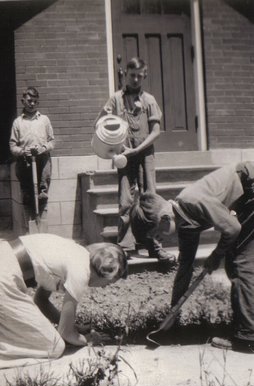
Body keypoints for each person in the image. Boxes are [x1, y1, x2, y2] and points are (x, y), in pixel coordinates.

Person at [130, 161, 254, 352]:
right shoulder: (185, 225)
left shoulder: (191, 201)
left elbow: (232, 228)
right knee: (236, 262)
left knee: (240, 263)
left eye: (157, 235)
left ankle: (247, 338)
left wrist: (216, 254)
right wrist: (174, 312)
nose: (159, 241)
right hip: (247, 195)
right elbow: (185, 268)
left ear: (164, 219)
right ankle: (247, 329)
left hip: (251, 185)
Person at [96, 56, 175, 266]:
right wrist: (114, 147)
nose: (136, 80)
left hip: (145, 155)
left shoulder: (149, 100)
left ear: (145, 75)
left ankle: (154, 246)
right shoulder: (115, 99)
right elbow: (101, 123)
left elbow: (156, 131)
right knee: (125, 202)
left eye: (140, 76)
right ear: (125, 74)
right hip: (124, 157)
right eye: (132, 75)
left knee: (150, 201)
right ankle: (125, 248)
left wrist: (138, 148)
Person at [0, 234, 127, 362]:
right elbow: (66, 334)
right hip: (4, 278)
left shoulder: (76, 254)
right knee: (54, 347)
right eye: (109, 283)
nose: (105, 287)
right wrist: (88, 339)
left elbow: (41, 301)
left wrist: (73, 326)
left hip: (5, 257)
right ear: (104, 272)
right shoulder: (81, 271)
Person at [9, 86, 55, 229]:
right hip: (25, 163)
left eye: (35, 101)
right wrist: (23, 151)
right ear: (23, 101)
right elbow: (12, 146)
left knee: (42, 194)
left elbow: (52, 141)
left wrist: (43, 148)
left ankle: (42, 226)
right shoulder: (18, 122)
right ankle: (30, 229)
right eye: (29, 100)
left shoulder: (44, 120)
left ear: (38, 102)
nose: (32, 104)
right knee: (28, 195)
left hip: (42, 161)